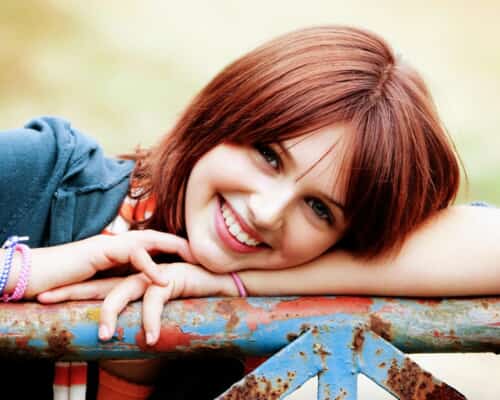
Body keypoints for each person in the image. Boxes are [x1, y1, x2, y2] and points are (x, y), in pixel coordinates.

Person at [1, 25, 499, 399]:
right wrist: (26, 271)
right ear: (224, 113)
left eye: (320, 208)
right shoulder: (40, 174)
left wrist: (236, 288)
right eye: (268, 155)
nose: (266, 212)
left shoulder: (277, 306)